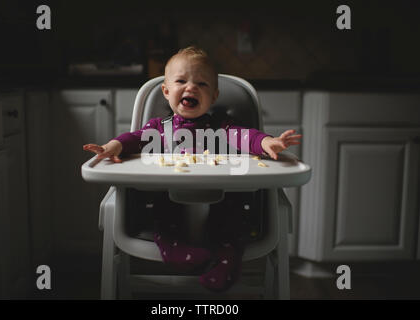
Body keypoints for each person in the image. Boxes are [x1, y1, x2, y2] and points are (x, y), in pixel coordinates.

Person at [83, 46, 301, 291]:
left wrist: (266, 142)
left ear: (214, 96)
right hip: (170, 201)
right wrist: (113, 147)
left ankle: (226, 263)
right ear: (166, 91)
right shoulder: (159, 127)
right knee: (163, 221)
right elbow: (133, 139)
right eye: (181, 81)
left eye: (202, 84)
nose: (191, 87)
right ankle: (182, 254)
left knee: (230, 225)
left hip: (223, 201)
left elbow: (245, 136)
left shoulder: (223, 127)